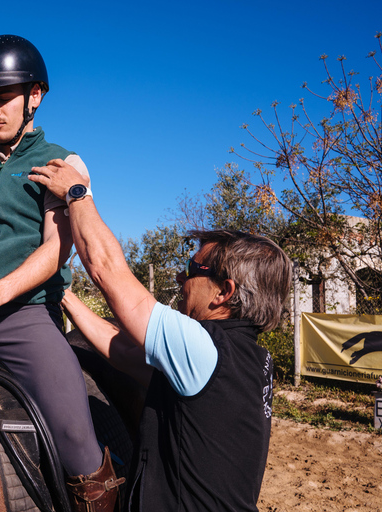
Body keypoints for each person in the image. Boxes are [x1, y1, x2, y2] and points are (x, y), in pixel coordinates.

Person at [0, 35, 123, 511]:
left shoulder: (60, 163)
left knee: (75, 432)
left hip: (23, 317)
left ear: (35, 96)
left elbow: (58, 249)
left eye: (3, 98)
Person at [28, 160, 292, 511]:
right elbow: (123, 353)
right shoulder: (248, 358)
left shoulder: (203, 348)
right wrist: (63, 295)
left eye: (192, 270)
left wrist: (78, 194)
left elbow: (107, 270)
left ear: (223, 292)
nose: (182, 280)